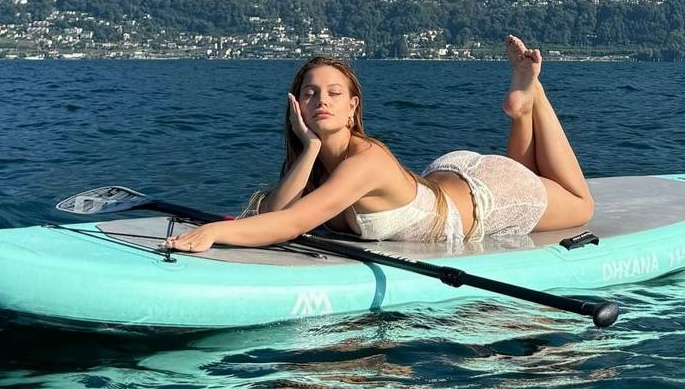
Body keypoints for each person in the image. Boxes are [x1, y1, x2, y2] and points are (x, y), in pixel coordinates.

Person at [163, 35, 594, 253]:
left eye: (334, 93)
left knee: (580, 204)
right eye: (310, 93)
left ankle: (533, 96)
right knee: (533, 173)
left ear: (353, 108)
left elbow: (292, 223)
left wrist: (216, 231)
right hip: (445, 177)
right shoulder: (321, 161)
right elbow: (276, 212)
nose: (321, 101)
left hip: (492, 197)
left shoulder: (366, 160)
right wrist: (309, 149)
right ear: (297, 105)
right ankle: (522, 107)